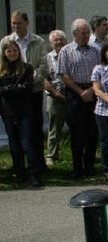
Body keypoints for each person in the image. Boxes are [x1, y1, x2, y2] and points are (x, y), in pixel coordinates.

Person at [1, 10, 49, 174]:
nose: (16, 26)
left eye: (19, 23)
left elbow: (44, 65)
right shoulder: (6, 41)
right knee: (15, 134)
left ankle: (38, 165)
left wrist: (30, 78)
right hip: (11, 96)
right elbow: (2, 65)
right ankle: (19, 168)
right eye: (13, 23)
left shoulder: (38, 41)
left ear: (27, 23)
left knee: (35, 129)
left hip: (33, 91)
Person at [58, 19, 100, 178]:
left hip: (92, 91)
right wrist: (80, 91)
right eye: (82, 32)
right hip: (74, 93)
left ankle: (90, 167)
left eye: (87, 32)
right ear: (74, 33)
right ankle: (77, 168)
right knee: (76, 132)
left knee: (92, 131)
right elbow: (63, 75)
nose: (85, 35)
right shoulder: (66, 51)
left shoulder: (95, 51)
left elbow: (99, 72)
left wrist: (90, 90)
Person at [0, 40, 40, 187]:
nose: (12, 53)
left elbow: (27, 88)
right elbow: (2, 90)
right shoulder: (1, 70)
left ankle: (34, 176)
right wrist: (15, 88)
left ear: (19, 52)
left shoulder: (27, 68)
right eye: (9, 51)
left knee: (27, 144)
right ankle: (19, 175)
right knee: (14, 145)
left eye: (15, 51)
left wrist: (9, 89)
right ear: (4, 53)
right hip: (8, 112)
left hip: (24, 111)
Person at [91, 41, 108, 182]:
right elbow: (97, 90)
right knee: (106, 142)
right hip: (103, 111)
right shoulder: (99, 69)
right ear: (104, 53)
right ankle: (107, 170)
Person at [44, 30, 67, 167]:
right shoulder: (47, 58)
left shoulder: (69, 54)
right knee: (54, 128)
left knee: (77, 127)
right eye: (56, 40)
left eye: (61, 40)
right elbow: (44, 79)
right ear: (51, 43)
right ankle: (51, 155)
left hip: (71, 95)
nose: (58, 42)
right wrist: (55, 93)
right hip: (54, 96)